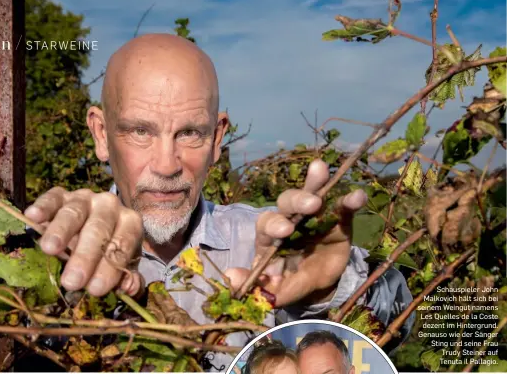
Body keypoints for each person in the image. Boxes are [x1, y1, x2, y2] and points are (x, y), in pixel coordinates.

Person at [21, 33, 414, 371]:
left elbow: (402, 320)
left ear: (216, 138)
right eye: (140, 131)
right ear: (102, 134)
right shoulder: (46, 253)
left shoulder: (270, 244)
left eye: (189, 132)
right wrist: (45, 282)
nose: (166, 164)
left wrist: (328, 290)